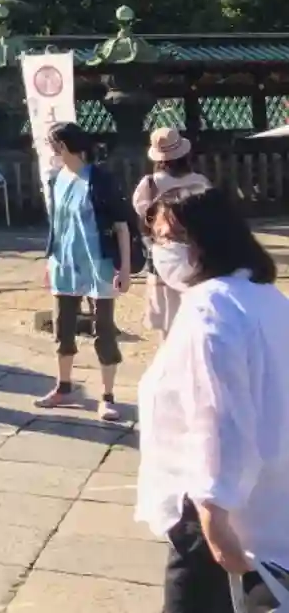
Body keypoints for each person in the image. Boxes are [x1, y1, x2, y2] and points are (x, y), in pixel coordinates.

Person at [136, 187, 288, 612]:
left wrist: (213, 513)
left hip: (214, 512)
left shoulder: (211, 308)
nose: (161, 250)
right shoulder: (265, 297)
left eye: (169, 239)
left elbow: (219, 414)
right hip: (269, 499)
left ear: (203, 241)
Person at [35, 122, 132, 422]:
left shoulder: (100, 179)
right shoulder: (56, 178)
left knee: (104, 329)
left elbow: (121, 225)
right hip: (64, 264)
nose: (51, 150)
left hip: (98, 263)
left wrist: (125, 267)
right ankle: (63, 386)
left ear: (63, 146)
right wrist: (49, 260)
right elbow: (57, 225)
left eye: (52, 144)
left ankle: (107, 396)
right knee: (62, 327)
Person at [131, 128, 211, 339]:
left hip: (164, 256)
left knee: (168, 322)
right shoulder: (200, 182)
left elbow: (143, 214)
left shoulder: (149, 184)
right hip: (198, 253)